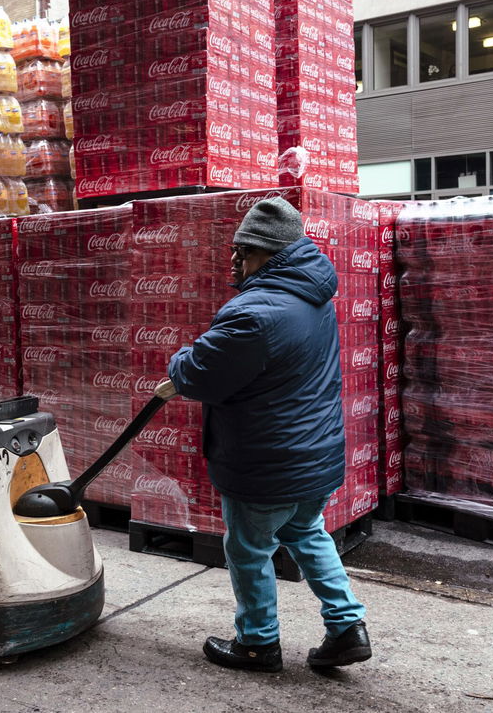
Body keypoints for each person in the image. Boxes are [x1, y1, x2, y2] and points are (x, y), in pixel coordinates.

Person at [155, 197, 371, 673]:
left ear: (269, 254)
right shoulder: (314, 298)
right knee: (307, 531)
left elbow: (200, 374)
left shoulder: (255, 312)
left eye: (243, 251)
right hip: (315, 458)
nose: (234, 260)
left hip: (267, 462)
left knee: (248, 550)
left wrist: (178, 360)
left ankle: (257, 643)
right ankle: (347, 625)